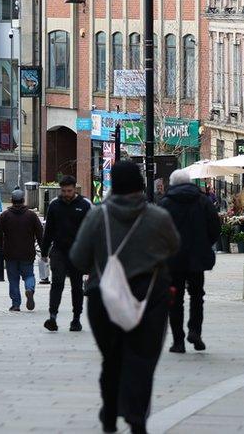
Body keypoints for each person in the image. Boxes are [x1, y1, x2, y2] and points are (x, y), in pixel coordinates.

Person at [70, 162, 179, 434]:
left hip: (104, 299)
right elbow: (175, 248)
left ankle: (109, 413)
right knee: (142, 359)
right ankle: (136, 416)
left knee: (112, 357)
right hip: (150, 298)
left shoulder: (97, 217)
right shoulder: (158, 217)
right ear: (141, 185)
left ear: (113, 186)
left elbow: (78, 258)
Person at [159, 170, 221, 353]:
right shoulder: (203, 201)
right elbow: (215, 228)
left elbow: (159, 232)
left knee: (175, 299)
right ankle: (195, 331)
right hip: (196, 258)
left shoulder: (165, 203)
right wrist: (204, 245)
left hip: (173, 259)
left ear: (173, 183)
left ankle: (178, 341)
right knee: (197, 296)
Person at [41, 175, 92, 332]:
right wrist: (44, 252)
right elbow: (48, 230)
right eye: (63, 191)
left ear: (74, 189)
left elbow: (91, 230)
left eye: (69, 191)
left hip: (77, 252)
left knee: (77, 286)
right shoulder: (55, 205)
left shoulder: (84, 205)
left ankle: (76, 319)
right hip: (59, 251)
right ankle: (52, 317)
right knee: (57, 282)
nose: (66, 194)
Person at [0, 189, 44, 311]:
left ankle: (16, 304)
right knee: (29, 275)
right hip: (27, 253)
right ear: (23, 200)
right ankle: (29, 289)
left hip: (10, 254)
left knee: (13, 279)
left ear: (11, 201)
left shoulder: (5, 216)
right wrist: (44, 252)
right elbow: (40, 235)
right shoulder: (31, 216)